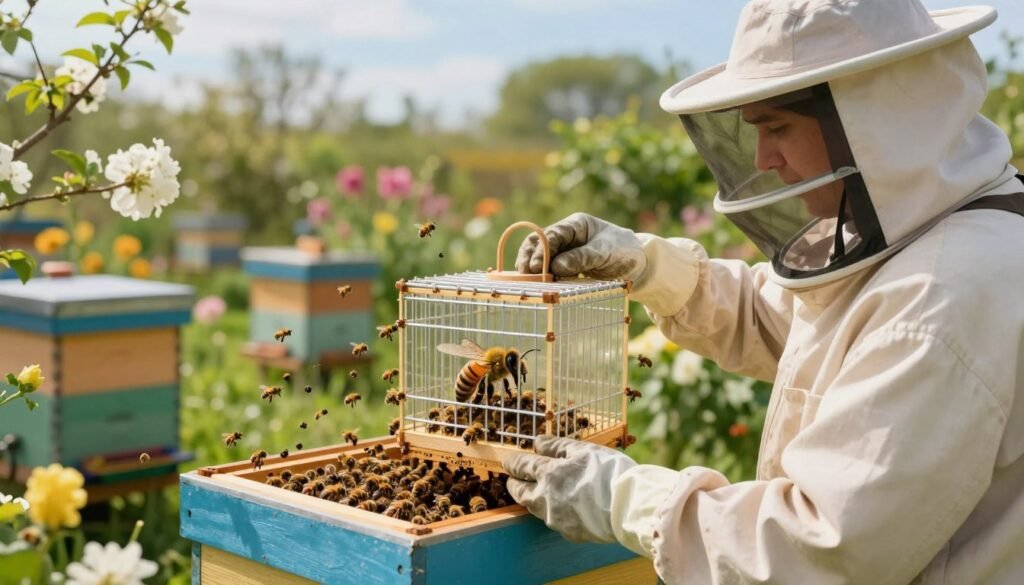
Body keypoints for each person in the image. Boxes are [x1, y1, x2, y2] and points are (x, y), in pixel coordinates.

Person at [503, 0, 1024, 583]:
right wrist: (648, 266)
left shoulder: (941, 299)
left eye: (777, 128)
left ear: (870, 118)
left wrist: (625, 499)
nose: (762, 160)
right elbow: (796, 323)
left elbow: (822, 545)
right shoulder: (930, 230)